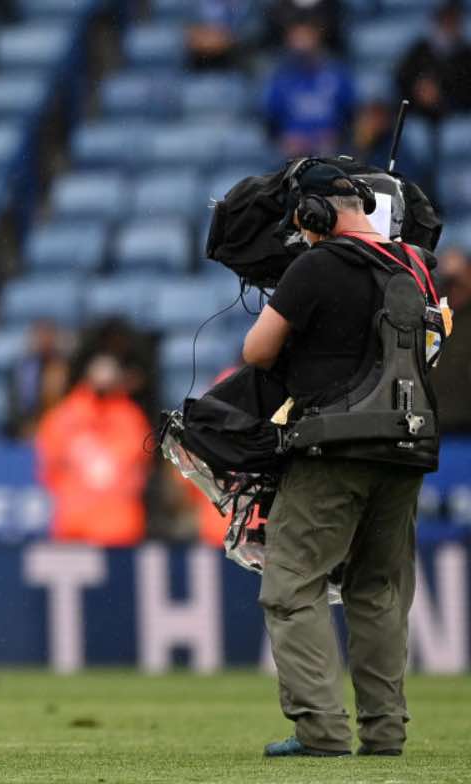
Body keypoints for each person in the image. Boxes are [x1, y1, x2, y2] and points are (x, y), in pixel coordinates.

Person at [241, 162, 441, 757]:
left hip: (335, 445)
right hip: (408, 444)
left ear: (314, 213)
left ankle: (321, 731)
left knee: (292, 583)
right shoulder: (417, 265)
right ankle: (384, 733)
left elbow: (256, 351)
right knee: (378, 590)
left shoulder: (317, 264)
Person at [34, 353, 152, 547]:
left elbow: (140, 470)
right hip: (78, 525)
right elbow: (49, 469)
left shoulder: (130, 418)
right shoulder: (63, 418)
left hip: (118, 527)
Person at [263, 20, 355, 157]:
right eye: (298, 38)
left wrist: (338, 137)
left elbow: (350, 113)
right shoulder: (280, 77)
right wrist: (283, 141)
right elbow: (270, 119)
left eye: (306, 37)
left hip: (331, 148)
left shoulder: (337, 73)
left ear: (317, 38)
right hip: (291, 151)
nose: (302, 45)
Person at [396, 0, 471, 122]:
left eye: (454, 19)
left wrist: (442, 96)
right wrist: (418, 90)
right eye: (445, 19)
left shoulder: (467, 55)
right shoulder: (419, 50)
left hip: (455, 117)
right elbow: (401, 80)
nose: (450, 24)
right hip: (418, 116)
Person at [430, 245, 470, 432]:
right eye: (449, 283)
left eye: (458, 282)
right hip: (437, 423)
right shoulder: (433, 314)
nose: (455, 290)